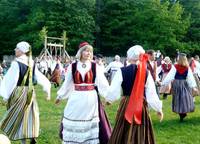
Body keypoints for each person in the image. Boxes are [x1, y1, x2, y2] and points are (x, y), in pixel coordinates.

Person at [106, 45, 163, 144]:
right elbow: (151, 93)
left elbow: (114, 89)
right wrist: (158, 109)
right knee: (140, 126)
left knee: (124, 126)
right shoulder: (146, 72)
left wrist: (109, 100)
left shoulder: (122, 71)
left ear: (129, 57)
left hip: (126, 103)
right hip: (141, 104)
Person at [55, 42, 110, 144]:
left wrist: (108, 97)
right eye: (86, 50)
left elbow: (102, 82)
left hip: (90, 97)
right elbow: (67, 83)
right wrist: (60, 96)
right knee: (72, 115)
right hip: (76, 96)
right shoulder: (73, 66)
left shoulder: (95, 66)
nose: (88, 53)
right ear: (80, 52)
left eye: (90, 51)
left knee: (89, 121)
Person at [0, 41, 51, 144]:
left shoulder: (16, 63)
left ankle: (24, 141)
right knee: (30, 114)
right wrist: (47, 89)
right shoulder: (31, 62)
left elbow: (11, 81)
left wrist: (5, 96)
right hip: (30, 92)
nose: (15, 50)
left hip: (19, 92)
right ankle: (31, 135)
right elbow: (41, 77)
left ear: (22, 50)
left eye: (17, 48)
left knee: (18, 115)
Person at [162, 53, 197, 122]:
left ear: (179, 59)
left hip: (177, 84)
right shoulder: (187, 67)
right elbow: (190, 78)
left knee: (178, 99)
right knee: (185, 98)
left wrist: (163, 83)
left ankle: (182, 114)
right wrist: (193, 86)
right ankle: (183, 113)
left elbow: (170, 76)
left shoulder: (175, 67)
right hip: (185, 83)